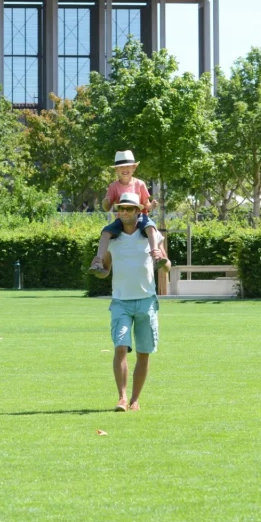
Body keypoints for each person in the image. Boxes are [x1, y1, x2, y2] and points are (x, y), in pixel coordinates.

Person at [93, 192, 160, 412]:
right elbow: (105, 271)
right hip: (121, 301)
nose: (124, 212)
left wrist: (164, 262)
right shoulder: (113, 239)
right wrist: (98, 270)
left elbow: (165, 264)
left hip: (146, 302)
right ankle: (122, 398)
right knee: (120, 347)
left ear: (138, 211)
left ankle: (135, 400)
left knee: (143, 353)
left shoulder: (150, 235)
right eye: (121, 208)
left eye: (129, 209)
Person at [89, 150, 167, 274]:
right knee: (105, 232)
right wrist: (105, 203)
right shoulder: (113, 186)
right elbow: (107, 207)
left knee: (151, 228)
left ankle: (156, 255)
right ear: (116, 170)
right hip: (122, 218)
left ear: (133, 168)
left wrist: (151, 205)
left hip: (141, 215)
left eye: (127, 166)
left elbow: (145, 204)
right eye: (121, 167)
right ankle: (98, 261)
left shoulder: (140, 184)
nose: (124, 169)